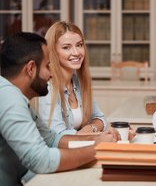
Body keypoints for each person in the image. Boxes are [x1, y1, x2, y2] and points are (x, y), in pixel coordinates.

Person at [0, 32, 118, 185]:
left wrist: (98, 139)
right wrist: (97, 148)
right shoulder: (9, 98)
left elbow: (52, 139)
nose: (51, 73)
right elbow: (41, 160)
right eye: (48, 66)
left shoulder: (13, 94)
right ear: (30, 69)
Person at [33, 21, 107, 135]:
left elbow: (100, 118)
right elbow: (58, 136)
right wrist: (87, 133)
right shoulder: (47, 87)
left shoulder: (77, 82)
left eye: (79, 45)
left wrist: (90, 128)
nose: (76, 52)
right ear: (53, 52)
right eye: (66, 47)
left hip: (77, 148)